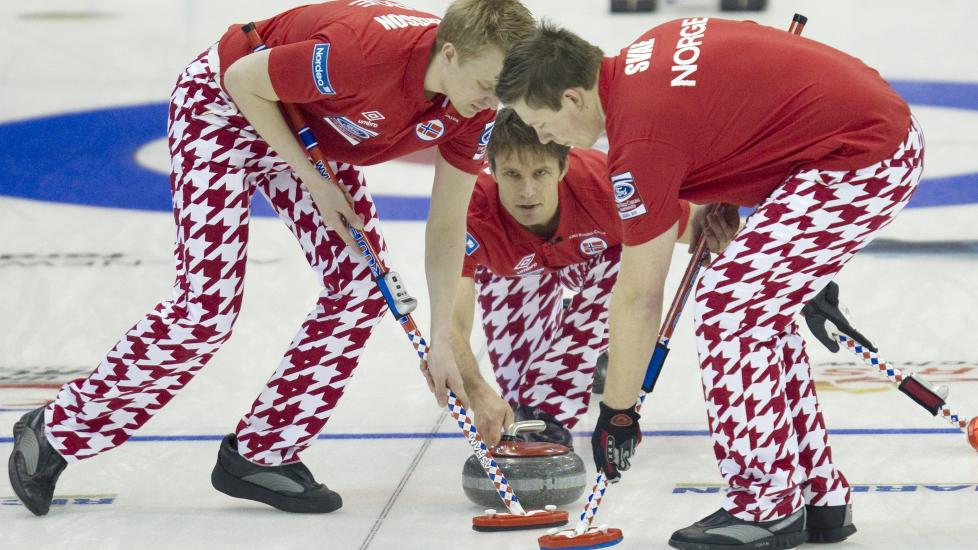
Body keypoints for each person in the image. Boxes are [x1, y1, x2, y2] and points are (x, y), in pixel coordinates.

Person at [8, 0, 536, 517]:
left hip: (305, 125)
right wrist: (313, 180)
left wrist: (443, 339)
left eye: (503, 90)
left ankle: (263, 451)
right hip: (222, 111)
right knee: (205, 312)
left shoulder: (476, 109)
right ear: (450, 53)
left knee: (362, 287)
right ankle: (55, 430)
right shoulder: (365, 52)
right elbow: (241, 79)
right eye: (486, 85)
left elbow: (447, 223)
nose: (492, 101)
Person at [496, 18, 922, 549]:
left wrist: (618, 412)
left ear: (572, 98)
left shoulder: (639, 140)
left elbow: (639, 297)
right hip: (868, 133)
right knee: (757, 311)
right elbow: (747, 74)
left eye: (540, 123)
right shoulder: (648, 50)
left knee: (729, 309)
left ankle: (766, 503)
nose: (543, 138)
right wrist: (738, 173)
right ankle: (817, 492)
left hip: (860, 156)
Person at [453, 108, 738, 448]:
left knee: (632, 262)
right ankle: (582, 346)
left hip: (598, 261)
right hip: (512, 270)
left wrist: (722, 232)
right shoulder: (467, 211)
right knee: (520, 394)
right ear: (492, 169)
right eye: (513, 174)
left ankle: (572, 368)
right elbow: (449, 321)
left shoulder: (607, 189)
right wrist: (477, 390)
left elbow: (701, 227)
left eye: (540, 172)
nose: (527, 191)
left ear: (562, 167)